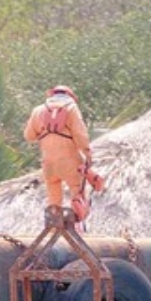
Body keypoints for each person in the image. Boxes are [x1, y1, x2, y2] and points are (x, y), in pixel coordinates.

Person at [23, 85, 93, 215]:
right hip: (70, 161)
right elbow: (80, 134)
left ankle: (54, 225)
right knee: (77, 192)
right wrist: (87, 153)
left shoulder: (38, 110)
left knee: (53, 196)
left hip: (48, 162)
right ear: (71, 97)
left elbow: (29, 136)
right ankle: (78, 227)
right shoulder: (71, 108)